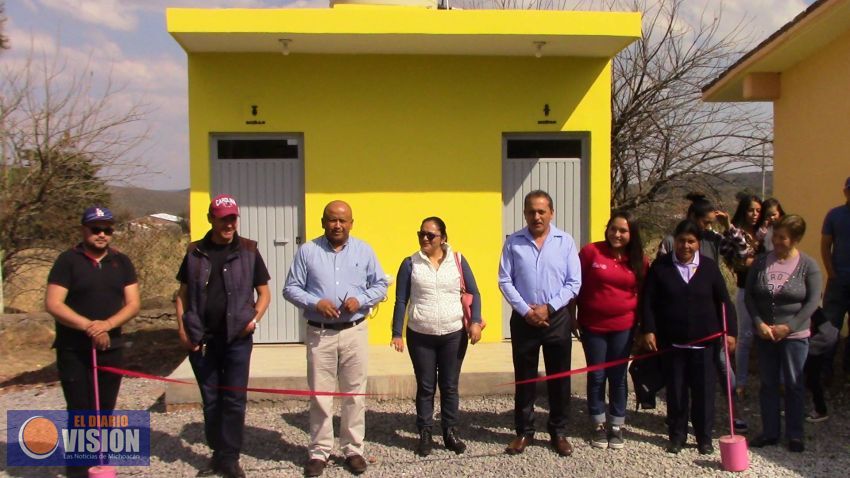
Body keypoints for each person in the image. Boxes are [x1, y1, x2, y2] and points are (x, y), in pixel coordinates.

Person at [283, 200, 388, 477]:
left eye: (343, 220)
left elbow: (380, 285)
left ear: (352, 223)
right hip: (320, 333)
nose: (337, 225)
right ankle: (320, 451)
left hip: (354, 331)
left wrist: (361, 299)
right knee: (320, 395)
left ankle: (353, 449)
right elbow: (290, 288)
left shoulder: (364, 251)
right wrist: (316, 302)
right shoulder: (307, 251)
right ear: (323, 222)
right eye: (332, 220)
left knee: (354, 394)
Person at [175, 194, 271, 478]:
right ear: (211, 219)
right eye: (223, 218)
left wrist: (252, 320)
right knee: (211, 399)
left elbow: (264, 293)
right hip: (201, 340)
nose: (229, 224)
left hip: (237, 340)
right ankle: (217, 454)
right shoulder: (194, 252)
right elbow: (181, 296)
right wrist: (182, 329)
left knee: (233, 398)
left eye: (233, 218)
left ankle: (230, 458)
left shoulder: (249, 250)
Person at [45, 206, 140, 478]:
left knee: (104, 413)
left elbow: (133, 304)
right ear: (83, 230)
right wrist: (89, 326)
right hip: (74, 350)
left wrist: (108, 326)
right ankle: (78, 471)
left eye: (107, 229)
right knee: (81, 412)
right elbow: (53, 303)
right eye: (96, 229)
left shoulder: (122, 262)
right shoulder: (67, 261)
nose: (102, 234)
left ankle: (100, 466)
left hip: (111, 348)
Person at [641, 220, 737, 455]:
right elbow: (648, 302)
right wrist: (649, 329)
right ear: (675, 241)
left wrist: (731, 332)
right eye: (681, 240)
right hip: (672, 343)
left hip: (705, 344)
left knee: (704, 392)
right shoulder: (661, 267)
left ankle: (704, 438)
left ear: (698, 243)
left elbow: (724, 302)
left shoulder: (709, 268)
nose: (685, 245)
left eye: (691, 241)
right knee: (676, 391)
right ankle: (677, 435)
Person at [390, 217, 483, 456]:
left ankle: (450, 432)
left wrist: (475, 322)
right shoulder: (410, 263)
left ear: (443, 237)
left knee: (450, 386)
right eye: (421, 233)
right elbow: (401, 300)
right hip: (421, 335)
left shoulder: (458, 261)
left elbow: (474, 292)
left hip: (453, 334)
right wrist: (396, 333)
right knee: (426, 386)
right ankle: (425, 433)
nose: (424, 239)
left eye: (430, 235)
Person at [498, 190, 582, 457]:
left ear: (551, 213)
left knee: (559, 377)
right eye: (531, 211)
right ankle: (524, 432)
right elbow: (504, 280)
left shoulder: (565, 242)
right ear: (524, 213)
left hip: (556, 318)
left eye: (541, 211)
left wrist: (549, 307)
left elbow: (574, 282)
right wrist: (526, 310)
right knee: (525, 378)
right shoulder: (514, 243)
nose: (537, 216)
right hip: (524, 319)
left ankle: (558, 432)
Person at [747, 214, 822, 452]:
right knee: (768, 384)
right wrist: (759, 323)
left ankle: (795, 434)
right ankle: (770, 432)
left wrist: (789, 327)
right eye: (775, 236)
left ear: (796, 239)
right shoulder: (760, 263)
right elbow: (750, 296)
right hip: (765, 335)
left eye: (783, 238)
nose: (777, 242)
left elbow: (812, 301)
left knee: (793, 384)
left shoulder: (808, 266)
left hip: (794, 336)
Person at [575, 211, 647, 450]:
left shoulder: (639, 260)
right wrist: (571, 316)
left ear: (631, 234)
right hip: (592, 325)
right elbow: (574, 284)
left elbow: (646, 295)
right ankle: (597, 422)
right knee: (596, 375)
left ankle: (616, 424)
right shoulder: (590, 253)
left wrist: (644, 327)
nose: (617, 234)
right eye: (613, 229)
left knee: (617, 376)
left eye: (623, 231)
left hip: (624, 327)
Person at [719, 193, 763, 399]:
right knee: (745, 336)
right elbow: (738, 259)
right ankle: (741, 382)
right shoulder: (734, 233)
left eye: (758, 210)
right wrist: (730, 228)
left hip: (767, 291)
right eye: (750, 210)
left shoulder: (766, 233)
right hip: (745, 289)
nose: (754, 214)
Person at [820, 177, 850, 381]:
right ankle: (825, 372)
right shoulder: (835, 215)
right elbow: (825, 245)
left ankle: (847, 370)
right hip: (838, 280)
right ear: (845, 191)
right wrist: (831, 272)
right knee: (830, 328)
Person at [803, 308, 838, 423]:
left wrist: (810, 346)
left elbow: (830, 335)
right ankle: (797, 407)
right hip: (807, 348)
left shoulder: (813, 311)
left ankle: (821, 410)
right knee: (801, 379)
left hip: (814, 351)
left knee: (813, 380)